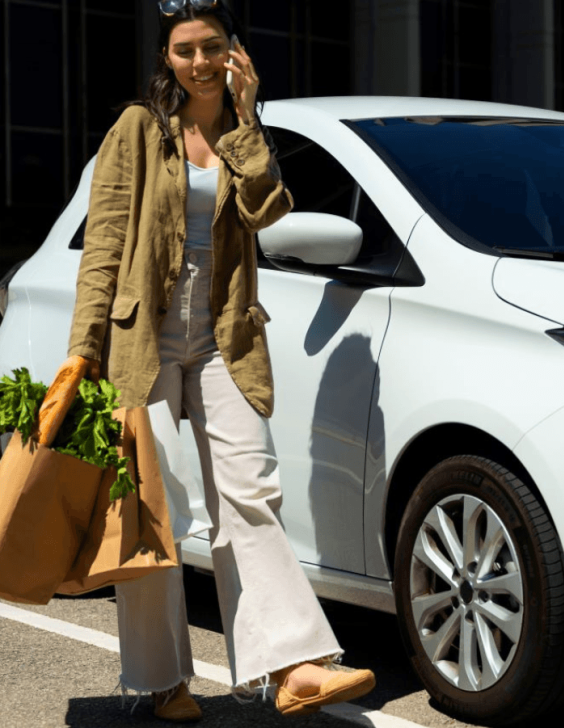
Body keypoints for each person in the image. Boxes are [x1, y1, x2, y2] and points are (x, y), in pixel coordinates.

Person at [66, 0, 375, 721]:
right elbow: (106, 243)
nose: (199, 62)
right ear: (167, 59)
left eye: (212, 47)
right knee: (155, 505)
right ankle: (161, 682)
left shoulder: (241, 134)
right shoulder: (137, 131)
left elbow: (269, 211)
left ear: (234, 52)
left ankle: (292, 667)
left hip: (222, 338)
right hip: (143, 337)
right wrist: (83, 353)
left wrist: (248, 115)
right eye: (184, 50)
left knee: (251, 488)